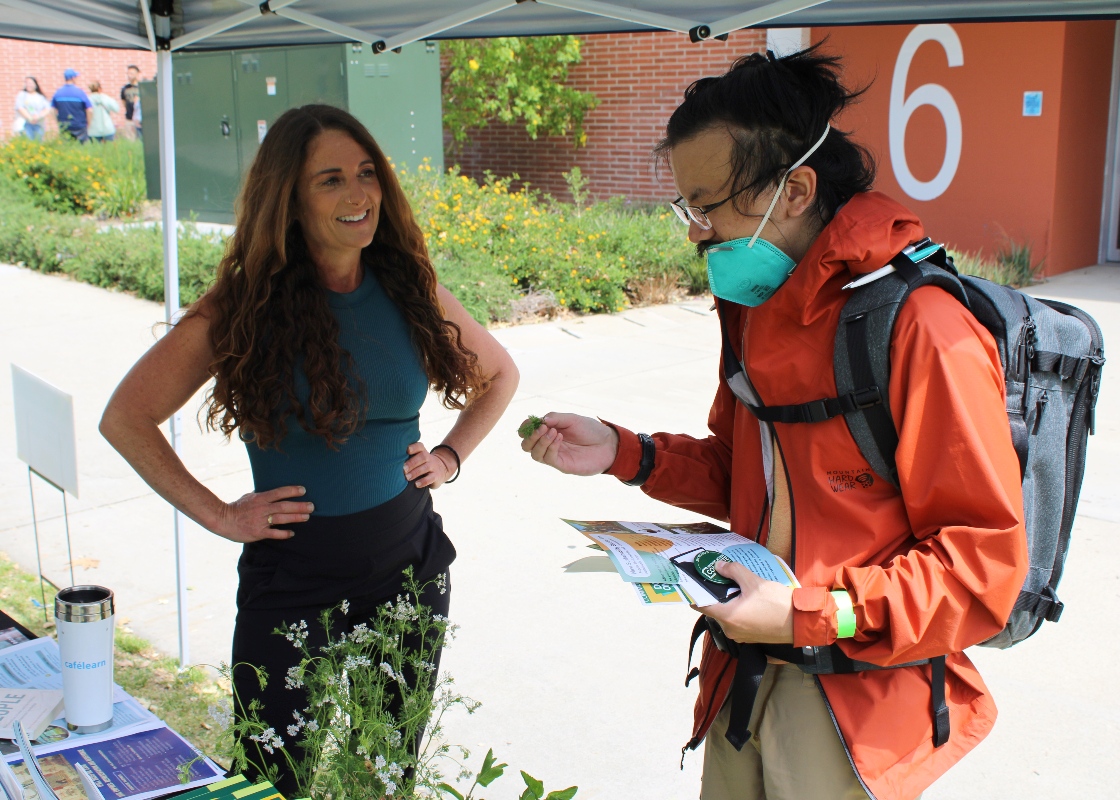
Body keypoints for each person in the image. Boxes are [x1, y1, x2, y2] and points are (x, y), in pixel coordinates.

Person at [520, 47, 1026, 800]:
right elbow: (744, 476)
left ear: (795, 190)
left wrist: (808, 612)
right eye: (684, 207)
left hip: (852, 711)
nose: (695, 231)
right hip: (741, 682)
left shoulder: (924, 328)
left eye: (708, 205)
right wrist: (624, 453)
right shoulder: (756, 311)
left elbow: (981, 570)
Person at [100, 104, 518, 794]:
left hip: (407, 572)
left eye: (366, 173)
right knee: (270, 782)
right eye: (331, 180)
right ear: (288, 200)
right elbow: (127, 417)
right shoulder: (243, 307)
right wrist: (219, 514)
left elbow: (500, 374)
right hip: (294, 582)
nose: (359, 196)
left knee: (382, 778)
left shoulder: (409, 286)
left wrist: (450, 455)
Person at [50, 69, 91, 142]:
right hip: (79, 126)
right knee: (82, 150)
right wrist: (88, 123)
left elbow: (52, 110)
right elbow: (89, 110)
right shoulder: (80, 92)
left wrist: (58, 121)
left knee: (67, 149)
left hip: (64, 126)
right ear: (73, 78)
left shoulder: (58, 93)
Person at [14, 77, 50, 141]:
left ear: (35, 84)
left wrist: (38, 117)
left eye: (30, 83)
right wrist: (30, 118)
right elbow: (20, 108)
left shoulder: (40, 97)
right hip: (25, 124)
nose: (28, 85)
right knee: (27, 143)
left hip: (38, 124)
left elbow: (47, 108)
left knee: (38, 144)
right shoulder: (22, 95)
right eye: (26, 83)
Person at [120, 65, 141, 139]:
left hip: (140, 119)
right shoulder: (125, 88)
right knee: (130, 140)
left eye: (131, 73)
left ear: (137, 74)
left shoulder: (141, 87)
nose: (129, 75)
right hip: (129, 118)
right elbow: (123, 101)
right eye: (128, 73)